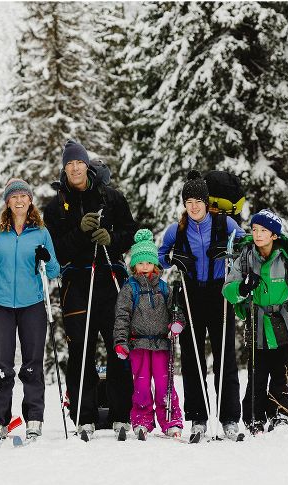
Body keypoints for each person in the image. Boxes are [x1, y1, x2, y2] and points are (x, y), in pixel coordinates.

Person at [43, 139, 138, 439]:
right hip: (77, 283)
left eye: (79, 162)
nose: (75, 168)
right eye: (70, 163)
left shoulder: (111, 198)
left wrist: (111, 237)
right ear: (64, 167)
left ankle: (122, 414)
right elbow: (55, 251)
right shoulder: (56, 207)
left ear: (87, 165)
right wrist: (81, 233)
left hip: (111, 279)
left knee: (118, 346)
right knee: (80, 349)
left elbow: (131, 234)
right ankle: (83, 415)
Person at [158, 170, 245, 441]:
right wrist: (175, 259)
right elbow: (161, 257)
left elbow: (245, 243)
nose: (194, 206)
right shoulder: (177, 229)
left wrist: (230, 251)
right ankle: (198, 418)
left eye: (198, 201)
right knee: (192, 356)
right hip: (190, 292)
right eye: (189, 202)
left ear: (207, 203)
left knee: (224, 356)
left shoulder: (224, 223)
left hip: (220, 293)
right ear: (184, 205)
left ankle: (230, 418)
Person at [0, 178, 60, 442]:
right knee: (2, 365)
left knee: (32, 364)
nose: (18, 201)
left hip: (32, 304)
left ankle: (34, 418)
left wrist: (46, 259)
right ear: (7, 202)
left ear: (30, 201)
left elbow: (54, 271)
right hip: (1, 303)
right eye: (13, 197)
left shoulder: (41, 232)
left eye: (23, 197)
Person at [223, 209, 288, 434]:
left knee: (280, 372)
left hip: (283, 321)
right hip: (257, 319)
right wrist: (243, 287)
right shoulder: (245, 257)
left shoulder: (285, 257)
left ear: (274, 235)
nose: (258, 234)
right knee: (257, 373)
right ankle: (254, 416)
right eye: (254, 230)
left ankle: (280, 413)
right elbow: (228, 290)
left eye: (264, 230)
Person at [113, 229, 183, 440]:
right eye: (140, 263)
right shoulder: (129, 288)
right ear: (134, 265)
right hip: (139, 345)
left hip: (162, 344)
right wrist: (121, 341)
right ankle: (142, 420)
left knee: (165, 385)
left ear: (155, 264)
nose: (145, 267)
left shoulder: (163, 288)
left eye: (148, 263)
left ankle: (171, 420)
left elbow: (175, 310)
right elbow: (122, 316)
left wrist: (177, 322)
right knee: (141, 384)